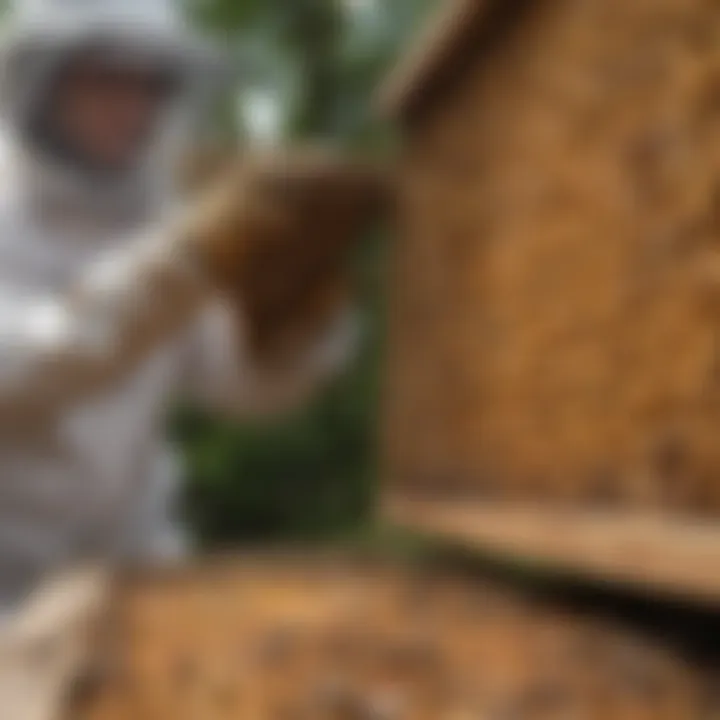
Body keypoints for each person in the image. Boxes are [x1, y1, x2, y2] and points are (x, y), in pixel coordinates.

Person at [0, 0, 367, 612]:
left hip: (131, 580)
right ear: (44, 81)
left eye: (153, 85)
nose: (136, 107)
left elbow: (239, 391)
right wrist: (192, 260)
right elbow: (36, 364)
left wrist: (293, 326)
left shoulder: (157, 225)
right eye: (110, 78)